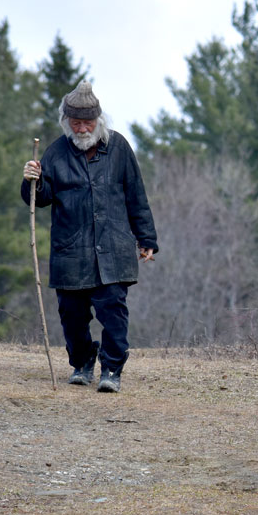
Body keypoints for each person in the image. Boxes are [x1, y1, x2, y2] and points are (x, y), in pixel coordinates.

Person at [21, 81, 158, 393]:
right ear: (66, 122)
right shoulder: (55, 153)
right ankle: (82, 363)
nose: (82, 129)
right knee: (72, 316)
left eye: (88, 123)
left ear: (99, 120)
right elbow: (40, 199)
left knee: (114, 314)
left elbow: (137, 196)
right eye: (76, 123)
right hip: (71, 251)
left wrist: (146, 238)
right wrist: (31, 180)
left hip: (114, 248)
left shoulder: (120, 148)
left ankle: (111, 369)